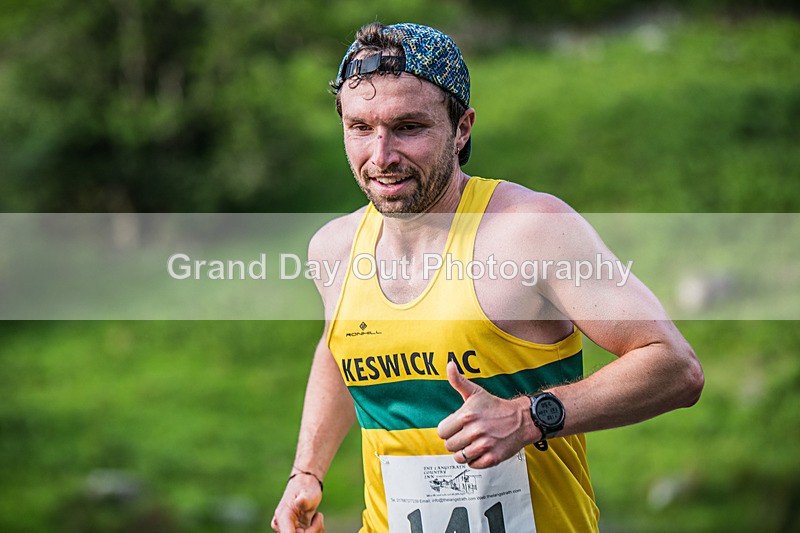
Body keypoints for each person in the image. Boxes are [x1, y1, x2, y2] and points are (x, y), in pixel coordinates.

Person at [271, 21, 704, 533]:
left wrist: (527, 418)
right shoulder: (334, 249)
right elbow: (340, 347)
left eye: (408, 127)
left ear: (462, 129)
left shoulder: (529, 231)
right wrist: (307, 472)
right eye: (361, 128)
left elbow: (674, 367)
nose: (381, 156)